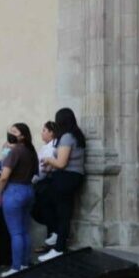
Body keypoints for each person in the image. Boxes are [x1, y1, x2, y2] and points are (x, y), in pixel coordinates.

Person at [39, 109, 86, 262]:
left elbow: (61, 163)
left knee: (61, 212)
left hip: (66, 178)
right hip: (73, 176)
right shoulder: (76, 136)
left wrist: (48, 160)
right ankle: (58, 237)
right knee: (61, 209)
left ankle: (59, 246)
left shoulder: (66, 137)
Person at [0, 123, 38, 277]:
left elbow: (4, 176)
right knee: (25, 231)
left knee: (15, 233)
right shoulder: (31, 151)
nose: (10, 133)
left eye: (14, 131)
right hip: (28, 189)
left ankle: (16, 267)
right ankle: (25, 263)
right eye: (10, 130)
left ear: (23, 136)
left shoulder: (15, 152)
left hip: (13, 192)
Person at [32, 121, 58, 253]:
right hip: (43, 182)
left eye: (44, 130)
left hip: (46, 184)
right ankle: (50, 243)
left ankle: (51, 244)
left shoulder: (51, 148)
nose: (42, 133)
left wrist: (33, 181)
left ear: (51, 132)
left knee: (48, 214)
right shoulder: (47, 146)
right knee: (49, 215)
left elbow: (42, 170)